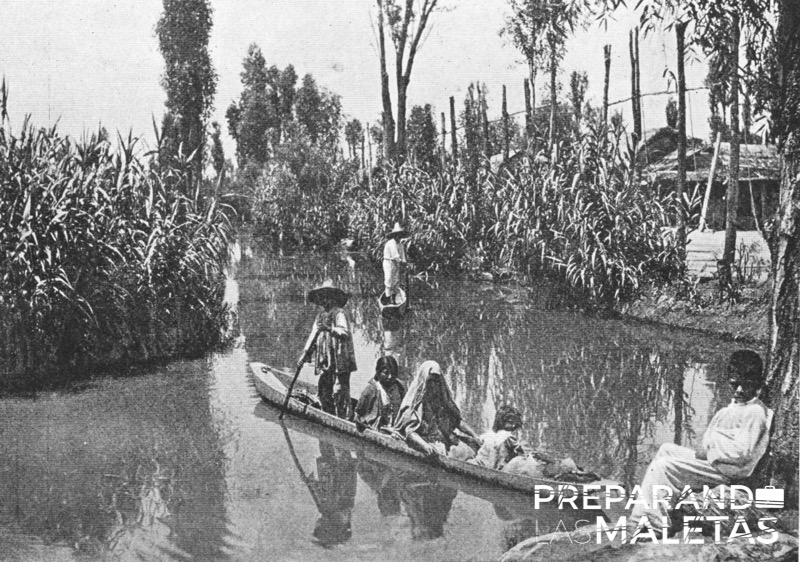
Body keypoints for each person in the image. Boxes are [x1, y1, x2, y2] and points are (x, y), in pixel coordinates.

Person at [628, 350, 773, 533]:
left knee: (664, 467)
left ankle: (652, 525)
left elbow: (742, 453)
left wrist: (710, 450)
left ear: (757, 384)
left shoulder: (754, 412)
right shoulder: (737, 407)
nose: (739, 391)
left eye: (747, 385)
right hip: (718, 463)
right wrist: (708, 446)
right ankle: (653, 508)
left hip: (729, 473)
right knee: (666, 449)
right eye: (735, 384)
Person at [391, 360, 482, 458]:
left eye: (436, 381)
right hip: (425, 442)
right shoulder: (414, 404)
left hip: (444, 439)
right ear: (424, 379)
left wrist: (475, 435)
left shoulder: (441, 400)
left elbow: (457, 421)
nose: (433, 385)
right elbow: (409, 432)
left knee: (472, 449)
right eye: (430, 381)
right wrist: (424, 445)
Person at [297, 279, 357, 419]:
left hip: (340, 359)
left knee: (340, 391)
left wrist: (329, 329)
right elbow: (313, 337)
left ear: (333, 298)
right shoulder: (320, 316)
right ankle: (327, 416)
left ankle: (343, 419)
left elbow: (344, 332)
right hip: (327, 360)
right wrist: (305, 355)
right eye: (322, 297)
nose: (324, 300)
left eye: (327, 297)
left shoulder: (339, 313)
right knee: (324, 389)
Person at [354, 356, 406, 431]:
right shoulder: (371, 390)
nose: (390, 377)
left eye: (393, 373)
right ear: (378, 371)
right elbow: (359, 414)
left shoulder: (400, 388)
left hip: (395, 430)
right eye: (386, 373)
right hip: (377, 430)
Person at [469, 404, 525, 471]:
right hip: (493, 467)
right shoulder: (509, 437)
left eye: (514, 423)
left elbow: (480, 441)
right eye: (510, 422)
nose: (513, 426)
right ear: (501, 421)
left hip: (479, 464)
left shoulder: (489, 434)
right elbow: (520, 452)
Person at [383, 222, 408, 304]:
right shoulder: (390, 243)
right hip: (389, 263)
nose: (398, 237)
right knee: (389, 280)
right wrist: (403, 263)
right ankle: (387, 300)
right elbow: (396, 256)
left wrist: (405, 262)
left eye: (400, 235)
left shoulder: (400, 245)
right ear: (394, 236)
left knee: (396, 281)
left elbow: (402, 256)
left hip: (396, 264)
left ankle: (393, 300)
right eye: (397, 235)